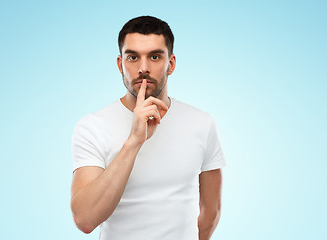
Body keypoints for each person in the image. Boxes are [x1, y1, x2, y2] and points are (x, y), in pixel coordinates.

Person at [70, 16, 226, 240]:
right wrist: (134, 141)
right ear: (119, 64)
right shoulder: (92, 126)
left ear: (170, 64)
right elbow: (85, 219)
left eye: (154, 56)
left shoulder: (202, 123)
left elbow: (211, 212)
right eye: (132, 57)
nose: (143, 68)